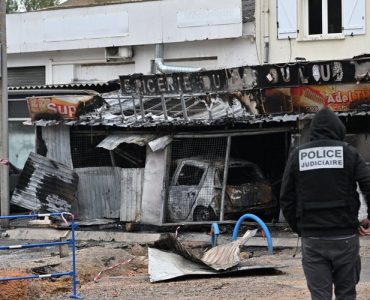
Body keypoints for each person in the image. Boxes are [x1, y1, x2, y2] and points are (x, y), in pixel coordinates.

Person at [280, 107, 370, 300]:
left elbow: (286, 198)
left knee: (320, 296)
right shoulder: (349, 153)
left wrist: (301, 229)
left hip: (313, 239)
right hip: (345, 237)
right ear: (339, 130)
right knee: (346, 294)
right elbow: (368, 184)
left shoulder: (298, 155)